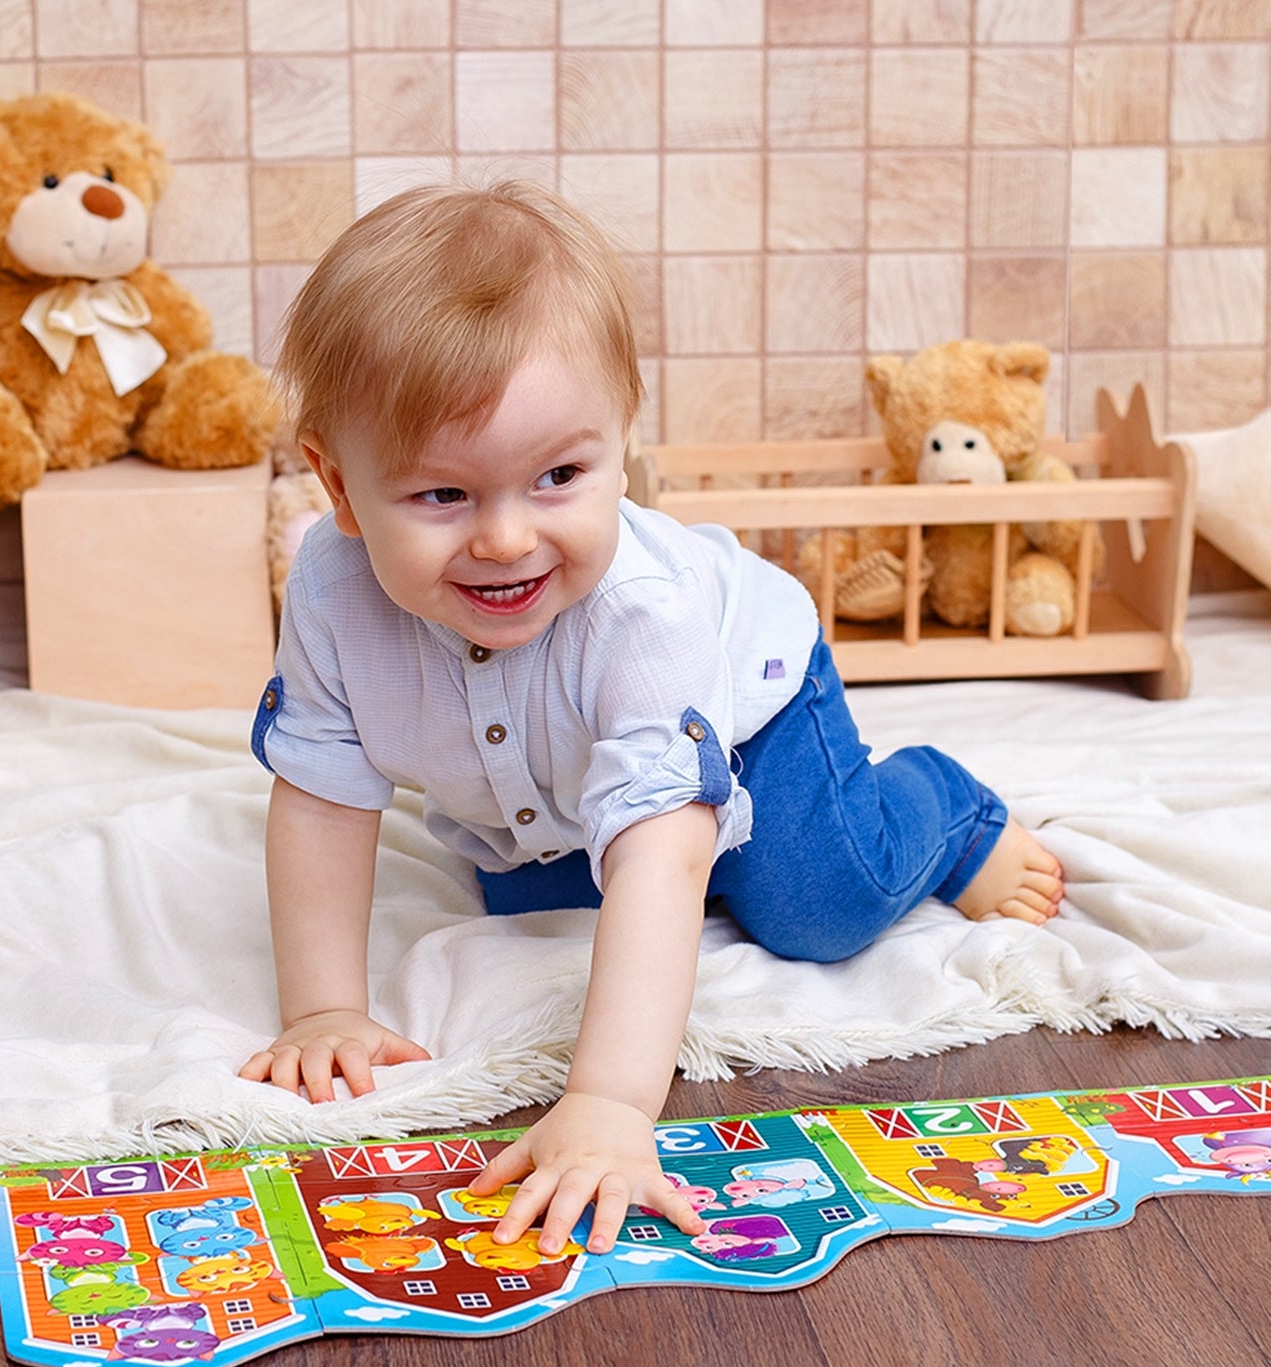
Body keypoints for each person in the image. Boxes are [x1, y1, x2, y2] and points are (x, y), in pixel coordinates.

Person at [238, 181, 1064, 1259]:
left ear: (623, 442)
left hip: (747, 705)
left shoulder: (641, 612)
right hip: (548, 781)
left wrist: (613, 1105)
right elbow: (320, 798)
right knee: (533, 908)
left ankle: (945, 810)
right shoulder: (331, 594)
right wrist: (321, 1012)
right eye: (442, 497)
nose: (505, 539)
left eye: (559, 477)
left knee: (813, 903)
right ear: (338, 489)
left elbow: (660, 855)